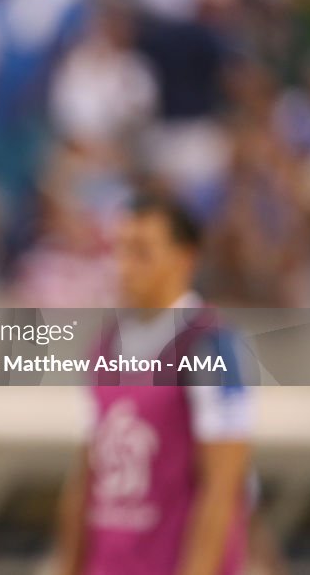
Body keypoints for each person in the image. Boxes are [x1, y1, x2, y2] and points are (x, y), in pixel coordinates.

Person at [56, 192, 254, 575]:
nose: (125, 266)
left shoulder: (210, 344)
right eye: (121, 250)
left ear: (185, 259)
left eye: (142, 252)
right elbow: (87, 475)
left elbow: (223, 486)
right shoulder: (104, 345)